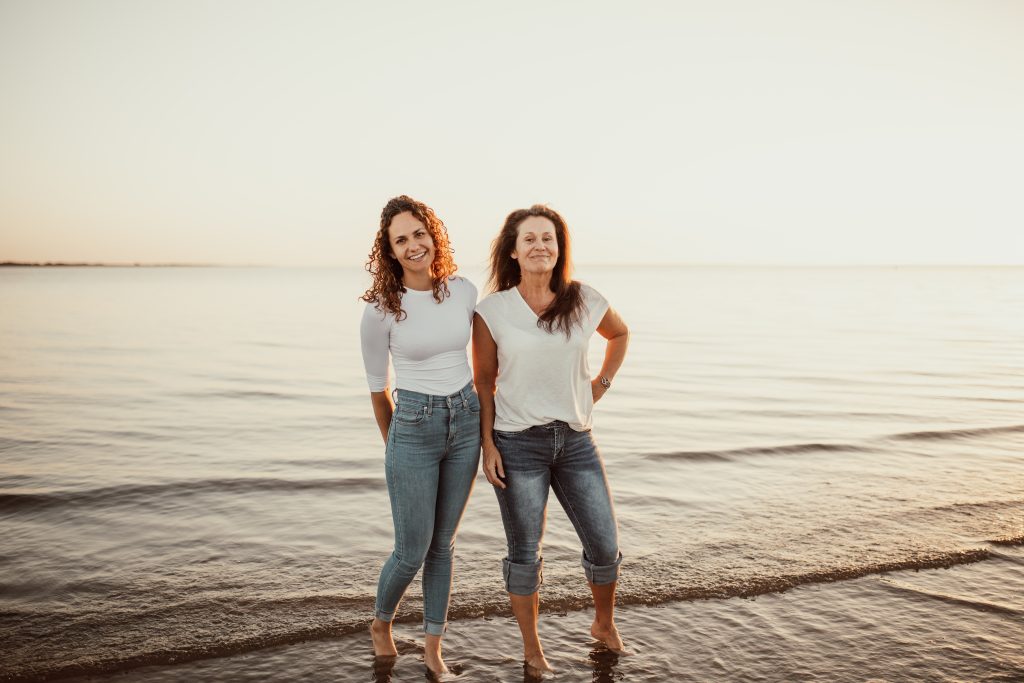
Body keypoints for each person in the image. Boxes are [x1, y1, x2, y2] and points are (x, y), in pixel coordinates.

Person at [472, 205, 630, 674]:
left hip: (577, 440)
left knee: (603, 545)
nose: (541, 246)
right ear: (514, 252)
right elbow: (484, 382)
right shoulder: (492, 311)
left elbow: (619, 334)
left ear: (559, 249)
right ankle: (533, 650)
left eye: (549, 238)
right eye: (530, 239)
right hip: (517, 442)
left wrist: (600, 385)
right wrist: (488, 445)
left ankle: (604, 625)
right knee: (525, 552)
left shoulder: (582, 299)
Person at [359, 195, 481, 677]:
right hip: (412, 423)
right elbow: (376, 390)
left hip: (467, 419)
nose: (413, 245)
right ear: (389, 250)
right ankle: (380, 623)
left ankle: (433, 646)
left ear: (435, 236)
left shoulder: (464, 291)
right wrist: (396, 445)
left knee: (443, 544)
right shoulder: (379, 311)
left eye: (419, 234)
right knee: (411, 548)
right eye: (401, 239)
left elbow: (490, 359)